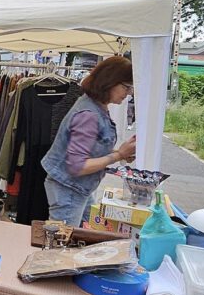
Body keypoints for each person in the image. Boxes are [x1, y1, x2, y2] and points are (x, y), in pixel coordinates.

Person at [40, 55, 137, 225]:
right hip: (69, 189)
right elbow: (77, 166)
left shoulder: (95, 106)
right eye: (126, 87)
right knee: (62, 238)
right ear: (110, 82)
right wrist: (119, 155)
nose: (129, 93)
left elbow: (89, 148)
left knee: (84, 230)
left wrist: (120, 152)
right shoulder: (89, 114)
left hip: (74, 188)